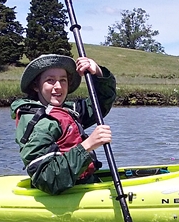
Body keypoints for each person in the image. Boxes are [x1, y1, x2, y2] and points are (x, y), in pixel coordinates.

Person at [10, 54, 117, 195]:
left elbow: (100, 103)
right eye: (50, 80)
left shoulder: (68, 111)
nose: (58, 87)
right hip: (62, 192)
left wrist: (97, 72)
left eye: (63, 80)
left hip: (80, 185)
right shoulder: (39, 123)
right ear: (36, 86)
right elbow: (47, 179)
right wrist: (87, 146)